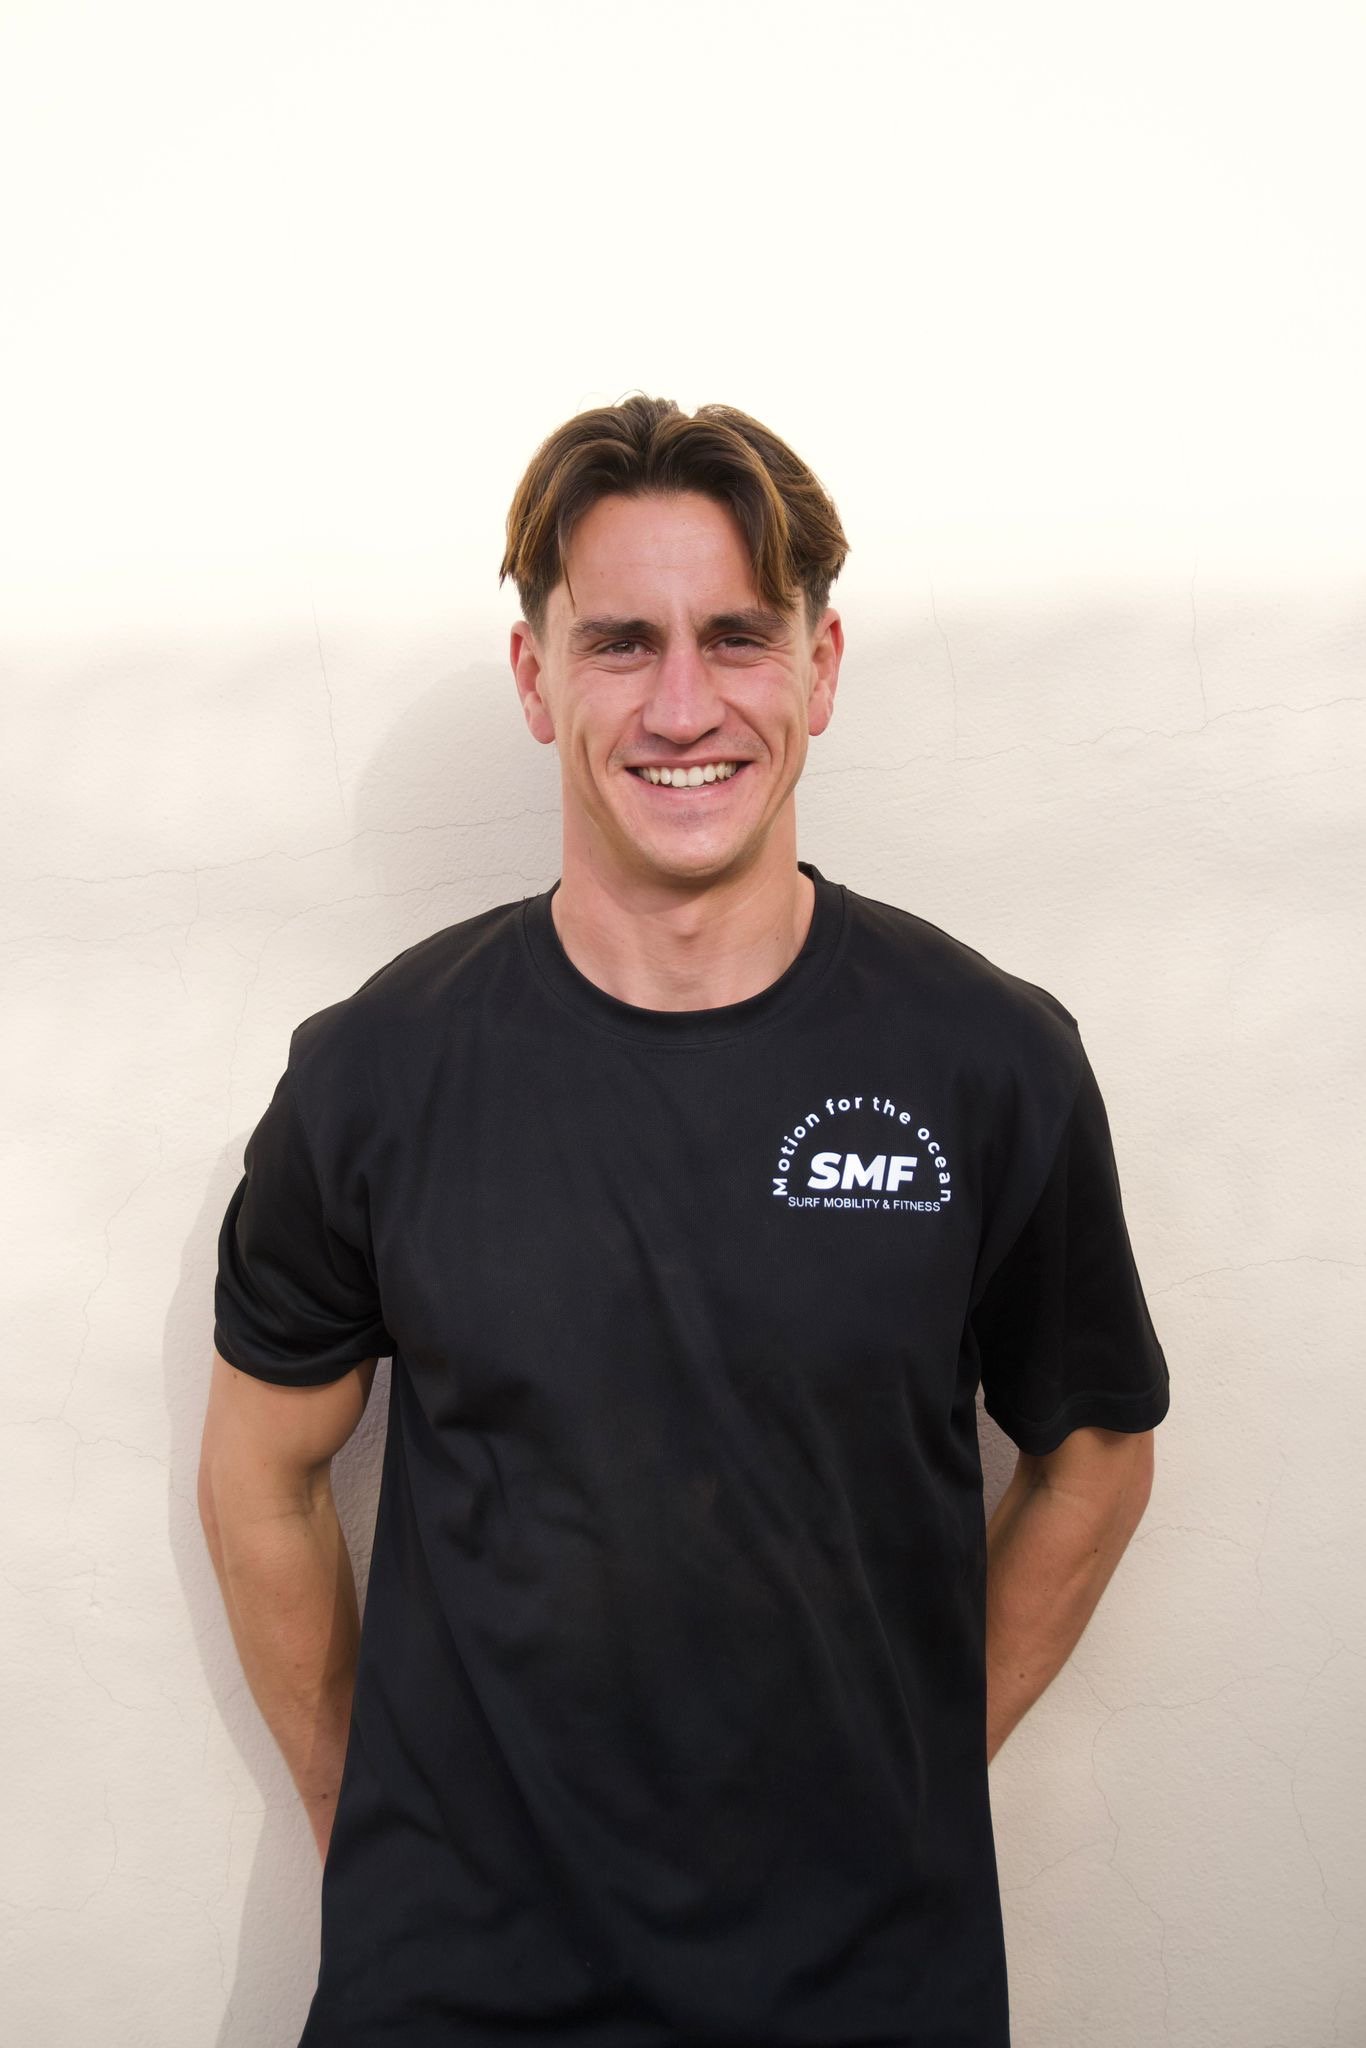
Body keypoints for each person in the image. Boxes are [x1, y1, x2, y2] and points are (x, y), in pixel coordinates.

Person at [199, 396, 1170, 2047]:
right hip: (452, 1993)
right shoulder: (375, 1074)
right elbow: (261, 1470)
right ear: (534, 680)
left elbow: (1094, 1446)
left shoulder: (988, 1062)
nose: (680, 705)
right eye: (618, 642)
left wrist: (916, 1769)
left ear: (821, 666)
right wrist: (372, 1815)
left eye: (736, 637)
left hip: (869, 1989)